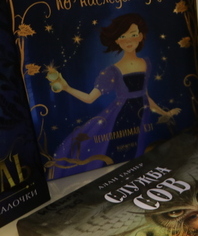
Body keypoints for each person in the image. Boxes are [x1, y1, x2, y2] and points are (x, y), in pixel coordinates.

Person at [48, 13, 180, 178]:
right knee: (119, 153)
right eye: (122, 36)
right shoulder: (112, 71)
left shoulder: (145, 63)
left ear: (140, 36)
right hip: (121, 117)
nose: (128, 40)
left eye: (133, 34)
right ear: (117, 40)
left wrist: (164, 113)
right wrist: (66, 88)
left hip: (142, 115)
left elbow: (146, 95)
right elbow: (90, 98)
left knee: (138, 152)